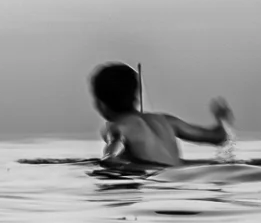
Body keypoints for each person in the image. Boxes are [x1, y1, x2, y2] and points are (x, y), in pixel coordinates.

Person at [90, 63, 232, 167]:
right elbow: (218, 137)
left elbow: (114, 149)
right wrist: (221, 119)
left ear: (101, 103)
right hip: (179, 176)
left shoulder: (117, 127)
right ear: (135, 97)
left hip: (157, 180)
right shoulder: (167, 121)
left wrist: (108, 159)